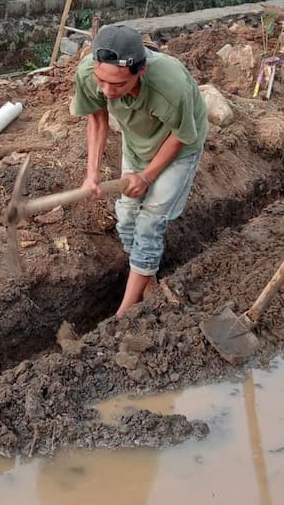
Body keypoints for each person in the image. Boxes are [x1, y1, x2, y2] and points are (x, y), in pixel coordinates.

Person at [70, 23, 209, 316]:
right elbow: (97, 120)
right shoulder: (88, 74)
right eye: (101, 81)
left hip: (179, 146)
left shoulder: (170, 84)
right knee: (127, 218)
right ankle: (148, 280)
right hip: (138, 143)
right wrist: (91, 174)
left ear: (140, 71)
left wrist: (147, 176)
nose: (107, 92)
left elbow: (182, 135)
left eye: (118, 85)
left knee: (149, 223)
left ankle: (123, 315)